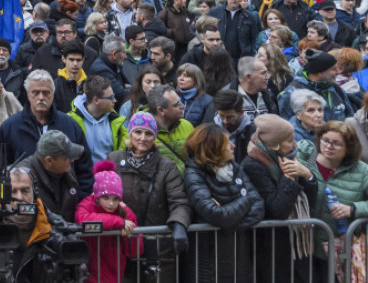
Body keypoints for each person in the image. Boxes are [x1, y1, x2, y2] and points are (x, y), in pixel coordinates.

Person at [0, 160, 78, 283]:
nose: (19, 198)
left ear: (35, 193)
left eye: (25, 191)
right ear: (1, 195)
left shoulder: (55, 226)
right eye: (13, 192)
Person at [108, 112, 191, 283]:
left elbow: (179, 201)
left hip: (157, 246)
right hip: (121, 242)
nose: (143, 138)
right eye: (138, 132)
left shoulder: (166, 166)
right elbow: (99, 197)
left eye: (148, 133)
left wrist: (179, 224)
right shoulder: (113, 160)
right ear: (130, 134)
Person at [241, 114, 322, 283]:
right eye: (289, 140)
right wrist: (289, 177)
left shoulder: (289, 157)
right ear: (274, 144)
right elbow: (277, 210)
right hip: (272, 246)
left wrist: (308, 176)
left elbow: (310, 200)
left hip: (299, 240)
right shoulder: (252, 165)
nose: (295, 144)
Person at [183, 123, 265, 283]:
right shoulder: (193, 173)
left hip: (239, 258)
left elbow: (258, 207)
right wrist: (245, 201)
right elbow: (215, 214)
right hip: (208, 264)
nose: (233, 146)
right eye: (227, 143)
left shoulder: (235, 168)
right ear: (213, 147)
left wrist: (227, 222)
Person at [296, 120, 368, 273]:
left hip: (340, 249)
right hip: (304, 247)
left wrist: (354, 209)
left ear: (349, 147)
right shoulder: (307, 159)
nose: (329, 146)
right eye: (325, 140)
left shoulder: (361, 171)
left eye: (336, 143)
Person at [74, 161, 142, 283]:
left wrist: (129, 235)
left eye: (115, 199)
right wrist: (117, 222)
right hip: (90, 268)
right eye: (106, 197)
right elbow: (83, 219)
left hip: (115, 269)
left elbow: (135, 250)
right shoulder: (87, 204)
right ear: (97, 195)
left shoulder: (124, 211)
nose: (111, 203)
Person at [20, 129, 87, 221]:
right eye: (67, 157)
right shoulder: (23, 177)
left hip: (64, 232)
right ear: (49, 160)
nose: (72, 160)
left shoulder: (67, 171)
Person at [280, 49, 356, 122]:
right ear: (320, 72)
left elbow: (349, 117)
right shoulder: (292, 93)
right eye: (333, 69)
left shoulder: (336, 89)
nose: (338, 72)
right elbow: (288, 126)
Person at [69, 75, 126, 162]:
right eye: (110, 97)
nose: (114, 100)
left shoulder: (115, 121)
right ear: (96, 100)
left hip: (110, 173)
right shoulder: (71, 121)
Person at [148, 84, 194, 172]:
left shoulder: (187, 126)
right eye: (176, 105)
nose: (182, 106)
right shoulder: (140, 133)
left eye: (180, 102)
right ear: (161, 110)